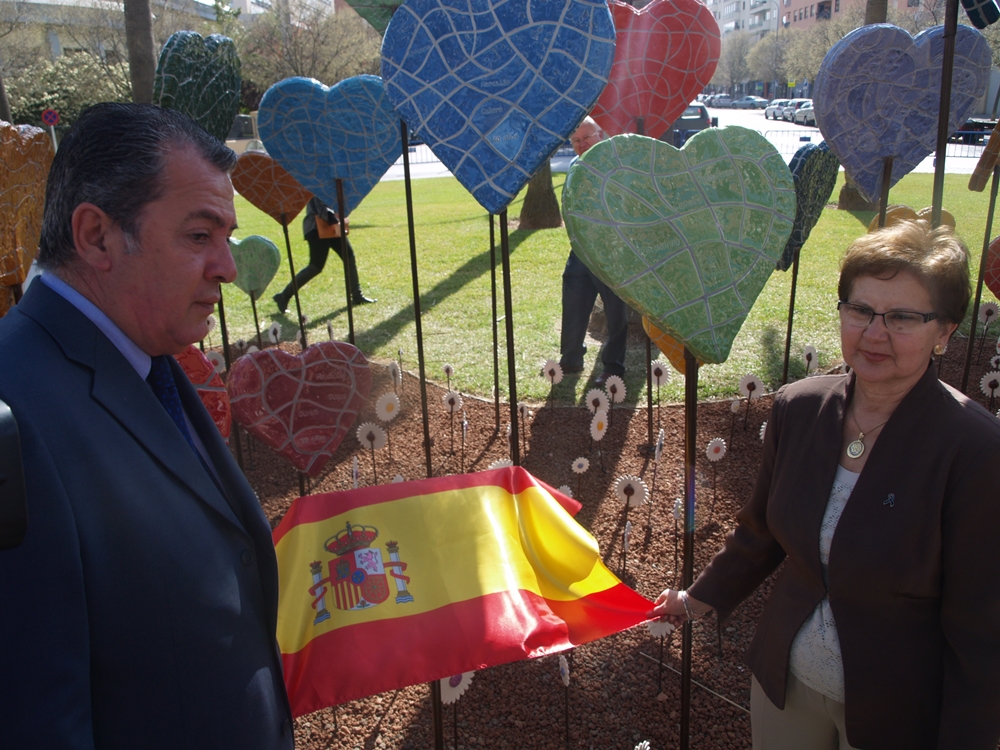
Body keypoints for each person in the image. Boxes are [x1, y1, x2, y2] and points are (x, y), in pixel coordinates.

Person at [0, 104, 294, 748]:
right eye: (199, 236)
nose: (227, 266)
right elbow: (34, 717)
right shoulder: (14, 417)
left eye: (227, 237)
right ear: (98, 236)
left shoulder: (143, 353)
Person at [652, 220, 1000, 750]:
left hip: (898, 710)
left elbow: (980, 624)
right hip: (784, 683)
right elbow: (759, 534)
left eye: (903, 317)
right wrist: (697, 599)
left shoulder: (975, 450)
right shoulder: (800, 407)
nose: (874, 333)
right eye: (860, 310)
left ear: (945, 332)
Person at [559, 117, 629, 385]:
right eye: (576, 141)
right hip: (581, 250)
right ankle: (571, 357)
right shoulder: (575, 165)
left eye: (587, 137)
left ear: (601, 134)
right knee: (574, 303)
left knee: (615, 311)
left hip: (612, 253)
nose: (581, 144)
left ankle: (613, 367)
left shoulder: (615, 164)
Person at [272, 196, 374, 313]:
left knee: (349, 256)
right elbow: (318, 207)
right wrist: (335, 217)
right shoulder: (316, 182)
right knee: (315, 266)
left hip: (333, 226)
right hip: (316, 228)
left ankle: (357, 296)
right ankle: (284, 296)